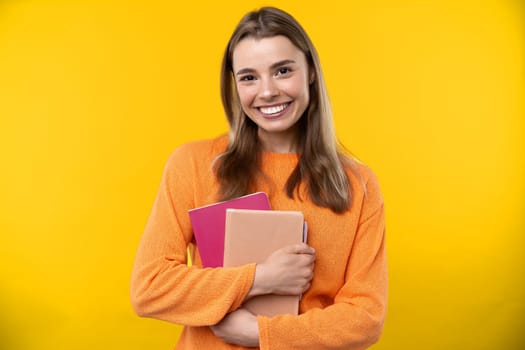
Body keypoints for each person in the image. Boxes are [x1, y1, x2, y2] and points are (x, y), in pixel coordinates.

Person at [130, 6, 387, 350]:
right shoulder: (193, 164)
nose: (266, 92)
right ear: (234, 85)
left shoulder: (358, 183)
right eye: (249, 77)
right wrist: (260, 277)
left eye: (282, 71)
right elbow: (150, 287)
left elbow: (365, 319)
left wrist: (259, 334)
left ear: (310, 71)